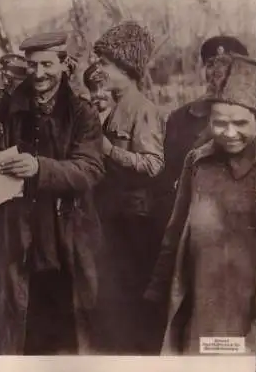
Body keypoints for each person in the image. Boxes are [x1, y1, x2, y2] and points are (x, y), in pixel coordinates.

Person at [0, 31, 105, 355]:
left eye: (48, 65)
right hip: (22, 230)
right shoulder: (11, 106)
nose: (39, 74)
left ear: (64, 64)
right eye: (32, 65)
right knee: (24, 323)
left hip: (68, 230)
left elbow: (90, 169)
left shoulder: (82, 112)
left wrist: (40, 168)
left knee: (69, 322)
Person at [145, 53, 256, 355]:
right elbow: (176, 227)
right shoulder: (198, 161)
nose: (229, 133)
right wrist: (158, 287)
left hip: (249, 308)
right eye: (220, 123)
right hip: (203, 301)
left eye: (240, 123)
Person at [91, 21, 165, 354]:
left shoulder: (142, 109)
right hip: (112, 216)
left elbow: (153, 165)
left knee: (132, 300)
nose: (100, 70)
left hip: (134, 221)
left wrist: (110, 151)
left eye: (106, 64)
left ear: (126, 68)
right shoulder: (113, 105)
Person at [153, 35, 249, 244]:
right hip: (192, 222)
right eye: (210, 64)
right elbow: (167, 178)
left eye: (226, 65)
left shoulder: (252, 119)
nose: (217, 72)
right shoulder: (180, 117)